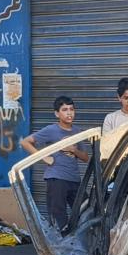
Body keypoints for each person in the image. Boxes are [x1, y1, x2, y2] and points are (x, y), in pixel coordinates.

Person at [20, 96, 89, 231]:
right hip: (56, 178)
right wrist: (44, 158)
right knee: (58, 215)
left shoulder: (77, 131)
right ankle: (60, 241)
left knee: (86, 210)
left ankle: (78, 239)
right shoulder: (51, 130)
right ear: (57, 114)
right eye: (64, 110)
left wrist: (73, 150)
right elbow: (25, 142)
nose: (69, 113)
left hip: (74, 179)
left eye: (71, 109)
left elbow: (85, 158)